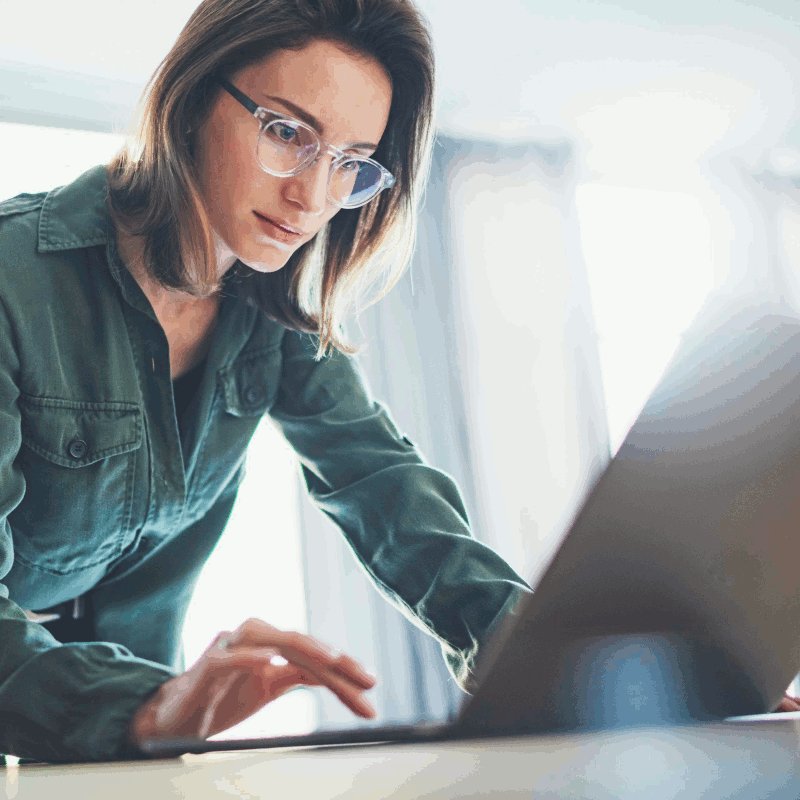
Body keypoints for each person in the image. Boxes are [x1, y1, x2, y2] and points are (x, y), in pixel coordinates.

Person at [0, 0, 532, 763]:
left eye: (350, 161)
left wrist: (552, 655)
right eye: (287, 133)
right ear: (190, 101)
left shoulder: (270, 317)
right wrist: (145, 708)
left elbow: (385, 485)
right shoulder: (13, 281)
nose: (313, 198)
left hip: (118, 750)